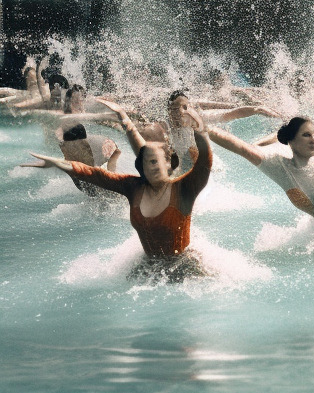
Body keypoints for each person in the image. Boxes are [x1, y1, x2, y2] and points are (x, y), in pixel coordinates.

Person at [21, 110, 214, 279]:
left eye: (156, 161)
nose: (152, 167)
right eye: (147, 163)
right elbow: (96, 175)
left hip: (184, 265)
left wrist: (201, 132)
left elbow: (204, 164)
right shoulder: (133, 187)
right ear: (141, 167)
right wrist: (59, 163)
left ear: (169, 164)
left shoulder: (184, 188)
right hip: (149, 265)